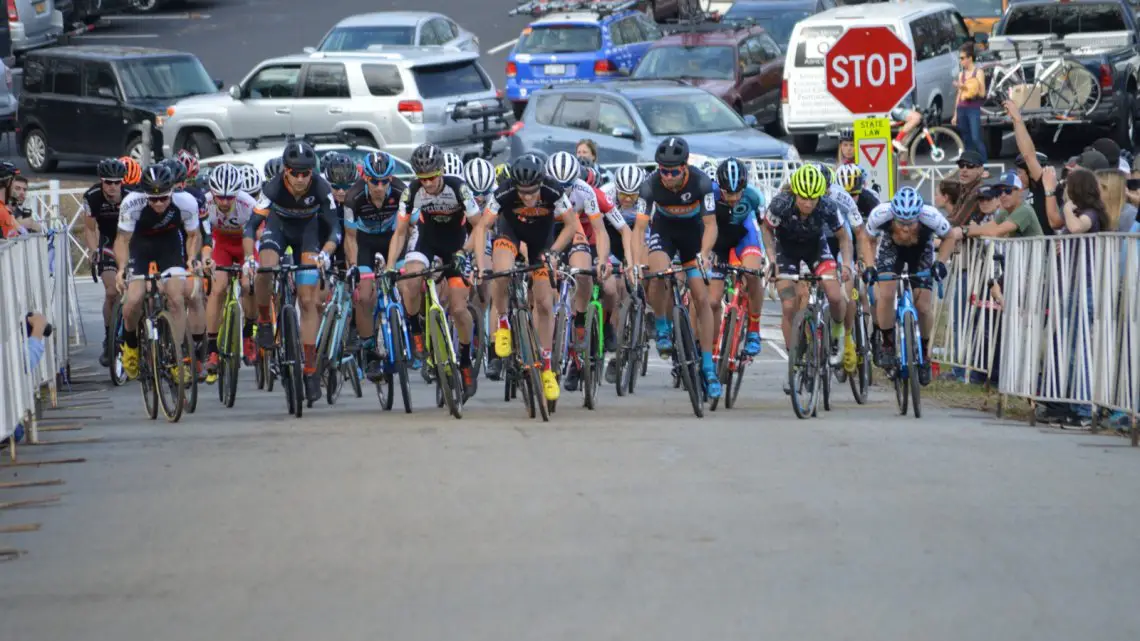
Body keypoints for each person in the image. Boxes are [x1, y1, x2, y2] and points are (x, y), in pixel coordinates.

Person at [242, 141, 341, 403]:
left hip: (308, 235)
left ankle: (309, 370)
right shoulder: (272, 187)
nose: (300, 179)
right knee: (265, 267)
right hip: (279, 228)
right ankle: (264, 320)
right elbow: (251, 226)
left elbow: (335, 229)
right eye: (294, 173)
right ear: (285, 171)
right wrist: (247, 259)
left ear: (312, 172)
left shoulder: (322, 188)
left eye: (305, 173)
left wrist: (325, 253)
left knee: (308, 301)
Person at [475, 153, 578, 403]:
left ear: (541, 184)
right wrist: (481, 265)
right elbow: (481, 227)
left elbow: (571, 225)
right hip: (510, 234)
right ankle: (502, 323)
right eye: (523, 192)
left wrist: (554, 252)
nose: (528, 197)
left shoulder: (554, 191)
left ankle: (545, 369)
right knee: (502, 271)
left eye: (532, 192)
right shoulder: (504, 191)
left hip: (541, 242)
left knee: (544, 303)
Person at [386, 143, 482, 400]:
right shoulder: (412, 191)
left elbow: (479, 226)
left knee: (459, 308)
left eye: (431, 177)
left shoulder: (458, 187)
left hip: (456, 244)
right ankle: (416, 328)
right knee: (411, 280)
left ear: (441, 171)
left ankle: (464, 360)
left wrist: (465, 253)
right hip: (426, 241)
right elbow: (401, 231)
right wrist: (388, 266)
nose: (427, 183)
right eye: (422, 178)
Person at [634, 137, 722, 399]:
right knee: (656, 273)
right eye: (663, 170)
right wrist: (636, 261)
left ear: (685, 167)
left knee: (702, 298)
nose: (668, 176)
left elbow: (711, 225)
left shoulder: (701, 182)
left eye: (673, 171)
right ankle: (661, 324)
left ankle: (708, 367)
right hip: (665, 232)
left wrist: (704, 254)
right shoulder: (650, 185)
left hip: (693, 236)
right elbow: (639, 228)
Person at [761, 164, 851, 394]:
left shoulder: (828, 206)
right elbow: (767, 230)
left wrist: (847, 265)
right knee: (789, 305)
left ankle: (837, 336)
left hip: (816, 250)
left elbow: (843, 237)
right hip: (786, 252)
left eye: (813, 199)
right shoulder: (781, 203)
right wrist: (771, 259)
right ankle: (793, 362)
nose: (808, 203)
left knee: (834, 294)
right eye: (803, 198)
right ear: (794, 193)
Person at [863, 186, 961, 385]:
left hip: (921, 251)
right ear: (893, 216)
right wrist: (870, 266)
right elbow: (867, 238)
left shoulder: (931, 216)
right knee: (887, 293)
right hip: (892, 249)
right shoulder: (881, 214)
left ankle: (924, 353)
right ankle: (888, 343)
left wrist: (940, 263)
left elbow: (949, 237)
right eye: (901, 222)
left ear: (919, 216)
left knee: (923, 306)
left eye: (911, 223)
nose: (906, 228)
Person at [115, 164, 202, 382]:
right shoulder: (131, 203)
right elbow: (122, 240)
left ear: (172, 191)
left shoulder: (186, 202)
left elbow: (193, 235)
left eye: (164, 198)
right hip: (140, 246)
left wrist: (191, 260)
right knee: (134, 298)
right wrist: (121, 268)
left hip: (169, 245)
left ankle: (177, 355)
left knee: (176, 296)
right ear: (144, 195)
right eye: (153, 200)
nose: (159, 203)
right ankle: (131, 344)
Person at [545, 151, 615, 393]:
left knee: (583, 272)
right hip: (547, 232)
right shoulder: (541, 188)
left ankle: (580, 325)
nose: (563, 191)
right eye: (558, 185)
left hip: (573, 232)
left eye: (567, 186)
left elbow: (601, 230)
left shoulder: (585, 191)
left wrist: (603, 259)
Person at [344, 151, 407, 380]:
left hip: (393, 236)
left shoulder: (402, 192)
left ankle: (409, 328)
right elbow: (350, 238)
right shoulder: (354, 197)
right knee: (365, 295)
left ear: (391, 178)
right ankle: (369, 348)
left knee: (407, 282)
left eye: (384, 181)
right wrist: (352, 265)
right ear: (365, 178)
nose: (379, 186)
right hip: (365, 241)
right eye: (374, 181)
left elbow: (408, 228)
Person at [201, 163, 264, 378]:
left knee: (249, 284)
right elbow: (205, 237)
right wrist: (207, 259)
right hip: (222, 245)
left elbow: (259, 237)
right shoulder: (206, 203)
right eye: (221, 197)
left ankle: (248, 334)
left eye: (230, 197)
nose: (225, 202)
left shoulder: (248, 204)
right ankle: (211, 350)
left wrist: (250, 263)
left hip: (245, 243)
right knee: (217, 289)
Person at [708, 158, 767, 358]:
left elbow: (763, 231)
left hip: (745, 237)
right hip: (718, 242)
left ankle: (754, 330)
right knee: (713, 301)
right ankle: (712, 346)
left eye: (737, 193)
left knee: (752, 275)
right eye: (727, 193)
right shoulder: (709, 194)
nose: (733, 198)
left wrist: (765, 259)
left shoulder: (754, 197)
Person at [82, 158, 131, 366]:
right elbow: (90, 229)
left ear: (122, 182)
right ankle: (109, 338)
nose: (112, 187)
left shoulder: (131, 197)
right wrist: (94, 252)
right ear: (101, 181)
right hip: (108, 244)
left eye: (116, 182)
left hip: (130, 243)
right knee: (112, 292)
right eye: (108, 182)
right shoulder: (92, 196)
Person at [1004, 100, 1060, 234]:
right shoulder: (1025, 192)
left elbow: (1028, 155)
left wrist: (1017, 120)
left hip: (1045, 250)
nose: (1017, 177)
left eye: (1020, 172)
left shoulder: (1042, 186)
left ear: (1030, 173)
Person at [963, 171, 1044, 239]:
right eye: (999, 192)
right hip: (1020, 257)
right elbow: (988, 228)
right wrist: (968, 230)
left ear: (1020, 191)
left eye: (1008, 191)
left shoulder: (1024, 210)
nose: (1003, 195)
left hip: (1035, 257)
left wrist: (972, 230)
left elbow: (995, 232)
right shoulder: (1005, 211)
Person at [952, 43, 987, 162]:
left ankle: (984, 165)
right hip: (962, 109)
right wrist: (955, 114)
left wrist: (966, 88)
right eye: (960, 58)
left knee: (976, 138)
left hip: (973, 109)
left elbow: (982, 93)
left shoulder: (978, 72)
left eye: (962, 58)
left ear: (969, 58)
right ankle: (970, 164)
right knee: (966, 139)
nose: (960, 61)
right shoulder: (961, 74)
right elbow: (959, 95)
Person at [945, 150, 987, 227]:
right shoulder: (965, 187)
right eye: (961, 165)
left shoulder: (978, 191)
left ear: (980, 170)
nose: (964, 170)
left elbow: (958, 222)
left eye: (970, 165)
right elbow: (954, 215)